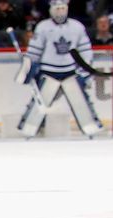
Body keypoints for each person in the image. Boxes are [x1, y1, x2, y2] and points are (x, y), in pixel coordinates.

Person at [16, 0, 102, 137]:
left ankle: (91, 128)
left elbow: (86, 51)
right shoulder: (43, 27)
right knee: (39, 103)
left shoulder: (77, 27)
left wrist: (86, 71)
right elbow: (34, 52)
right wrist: (26, 70)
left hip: (71, 71)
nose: (60, 12)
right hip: (48, 71)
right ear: (51, 9)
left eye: (63, 8)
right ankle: (29, 129)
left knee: (81, 102)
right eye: (57, 8)